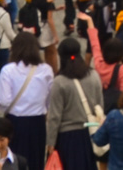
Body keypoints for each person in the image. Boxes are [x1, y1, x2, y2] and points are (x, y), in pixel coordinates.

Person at [0, 37, 53, 170]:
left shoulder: (8, 70)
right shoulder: (46, 69)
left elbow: (4, 100)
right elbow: (50, 100)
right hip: (38, 122)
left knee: (14, 161)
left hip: (15, 122)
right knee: (36, 160)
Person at [45, 39, 104, 170]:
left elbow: (54, 116)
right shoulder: (93, 75)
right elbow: (100, 105)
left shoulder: (60, 81)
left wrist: (50, 143)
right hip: (90, 134)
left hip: (67, 138)